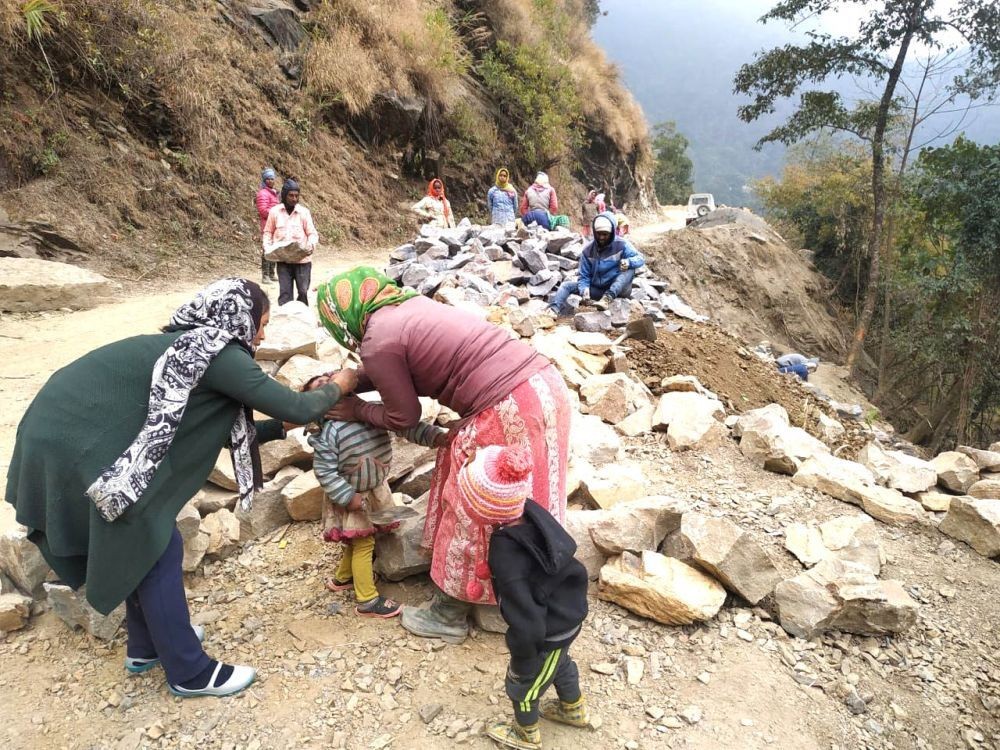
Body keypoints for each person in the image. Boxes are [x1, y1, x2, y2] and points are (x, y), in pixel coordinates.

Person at [4, 279, 354, 697]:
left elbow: (219, 432)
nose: (262, 335)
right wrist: (347, 380)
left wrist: (283, 427)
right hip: (68, 445)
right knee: (155, 543)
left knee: (144, 542)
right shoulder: (218, 351)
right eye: (260, 323)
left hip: (55, 434)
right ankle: (190, 672)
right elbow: (300, 404)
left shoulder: (191, 349)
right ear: (237, 318)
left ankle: (146, 647)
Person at [315, 267, 571, 644]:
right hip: (542, 387)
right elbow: (402, 367)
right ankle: (521, 591)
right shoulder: (405, 308)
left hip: (505, 406)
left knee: (471, 503)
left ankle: (450, 611)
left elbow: (404, 416)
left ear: (341, 316)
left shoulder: (377, 341)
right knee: (525, 499)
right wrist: (355, 379)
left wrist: (354, 410)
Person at [456, 446, 591, 750]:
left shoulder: (507, 556)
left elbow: (526, 622)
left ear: (484, 508)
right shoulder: (528, 509)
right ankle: (573, 709)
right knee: (560, 664)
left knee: (524, 684)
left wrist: (523, 656)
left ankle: (526, 733)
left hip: (547, 629)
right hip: (566, 610)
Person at [302, 374, 448, 618]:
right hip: (352, 496)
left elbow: (405, 426)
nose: (329, 380)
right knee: (364, 543)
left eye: (329, 376)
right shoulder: (329, 432)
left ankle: (343, 579)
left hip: (375, 489)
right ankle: (367, 600)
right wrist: (348, 497)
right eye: (319, 384)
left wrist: (434, 436)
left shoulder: (368, 412)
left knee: (358, 539)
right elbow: (324, 471)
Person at [547, 213, 645, 315]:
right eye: (598, 234)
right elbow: (584, 276)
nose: (601, 237)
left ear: (611, 233)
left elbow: (640, 259)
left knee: (629, 269)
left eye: (605, 234)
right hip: (598, 290)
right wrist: (584, 290)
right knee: (566, 286)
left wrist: (628, 262)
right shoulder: (588, 251)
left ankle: (608, 298)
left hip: (619, 289)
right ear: (594, 232)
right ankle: (553, 310)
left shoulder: (622, 244)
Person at [262, 177, 318, 306]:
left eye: (296, 196)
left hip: (302, 261)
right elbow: (268, 232)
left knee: (303, 292)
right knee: (285, 294)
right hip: (283, 261)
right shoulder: (274, 212)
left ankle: (301, 320)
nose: (294, 199)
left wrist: (310, 246)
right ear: (284, 195)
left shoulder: (304, 213)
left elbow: (312, 234)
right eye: (291, 195)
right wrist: (268, 247)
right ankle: (286, 320)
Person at [255, 167, 280, 284]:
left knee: (274, 249)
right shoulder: (263, 193)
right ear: (264, 180)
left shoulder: (274, 193)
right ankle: (265, 276)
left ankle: (271, 273)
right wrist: (276, 211)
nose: (271, 181)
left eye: (272, 179)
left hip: (276, 225)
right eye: (268, 179)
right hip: (267, 226)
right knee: (267, 249)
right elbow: (263, 210)